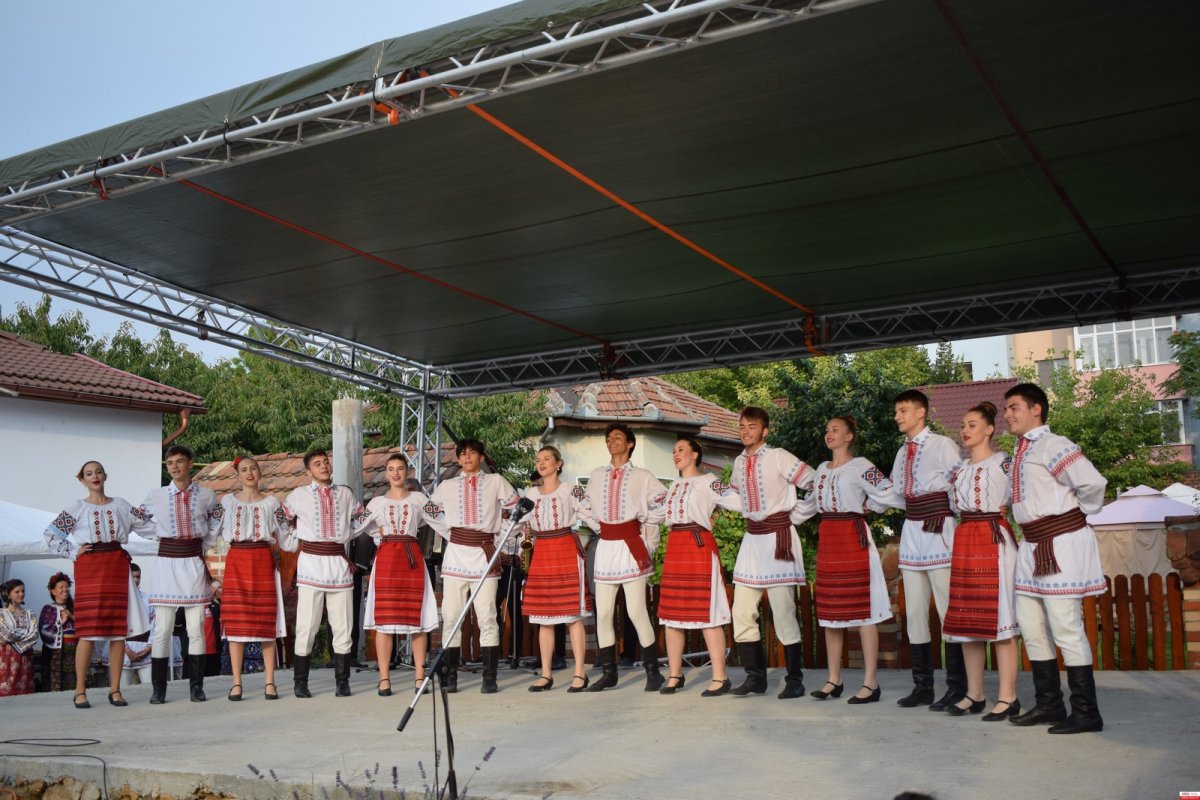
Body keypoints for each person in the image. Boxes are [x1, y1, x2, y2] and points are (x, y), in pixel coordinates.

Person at [1003, 383, 1107, 734]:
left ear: (1037, 409)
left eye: (1014, 407)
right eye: (1006, 409)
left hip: (1059, 544)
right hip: (1031, 546)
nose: (1007, 414)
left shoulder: (1054, 444)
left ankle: (1086, 712)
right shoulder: (1020, 451)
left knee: (1065, 627)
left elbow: (1092, 484)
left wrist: (1074, 518)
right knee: (1031, 626)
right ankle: (1049, 705)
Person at [793, 416, 896, 704]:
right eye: (827, 430)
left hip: (853, 538)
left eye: (835, 430)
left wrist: (869, 506)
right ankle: (833, 679)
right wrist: (778, 519)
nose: (829, 434)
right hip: (830, 540)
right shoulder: (821, 470)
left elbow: (887, 491)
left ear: (849, 436)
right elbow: (808, 505)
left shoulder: (861, 465)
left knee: (865, 610)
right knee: (831, 613)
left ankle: (871, 683)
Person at [43, 460, 153, 708]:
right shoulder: (77, 507)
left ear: (105, 476)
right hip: (90, 566)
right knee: (88, 631)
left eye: (98, 472)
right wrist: (73, 551)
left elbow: (147, 525)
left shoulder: (121, 505)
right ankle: (80, 691)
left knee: (118, 632)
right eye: (89, 473)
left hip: (116, 565)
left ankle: (115, 690)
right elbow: (51, 535)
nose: (95, 476)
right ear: (81, 479)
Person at [940, 402, 1022, 720]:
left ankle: (1008, 696)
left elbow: (1023, 492)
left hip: (993, 537)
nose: (965, 430)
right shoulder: (957, 470)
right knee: (967, 621)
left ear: (989, 429)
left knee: (1000, 620)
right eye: (963, 425)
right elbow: (952, 503)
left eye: (972, 424)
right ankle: (974, 694)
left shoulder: (1005, 462)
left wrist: (1008, 507)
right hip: (966, 538)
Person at [727, 407, 813, 699]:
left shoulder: (779, 456)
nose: (745, 431)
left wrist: (796, 515)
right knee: (741, 611)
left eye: (752, 426)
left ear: (765, 431)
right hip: (752, 541)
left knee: (784, 611)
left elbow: (814, 481)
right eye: (742, 426)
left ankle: (795, 680)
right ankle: (755, 678)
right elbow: (736, 495)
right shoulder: (739, 462)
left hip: (778, 538)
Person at [890, 389, 966, 711]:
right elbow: (896, 493)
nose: (897, 416)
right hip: (912, 532)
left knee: (948, 610)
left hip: (938, 530)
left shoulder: (942, 445)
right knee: (915, 612)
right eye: (897, 411)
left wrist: (957, 515)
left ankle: (958, 687)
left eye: (903, 410)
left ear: (921, 412)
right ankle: (923, 687)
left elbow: (959, 483)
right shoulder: (901, 452)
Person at [428, 439, 520, 694]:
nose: (467, 457)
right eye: (463, 454)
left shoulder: (495, 481)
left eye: (473, 453)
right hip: (456, 555)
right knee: (451, 616)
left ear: (481, 457)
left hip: (484, 555)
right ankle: (451, 676)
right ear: (458, 459)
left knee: (487, 616)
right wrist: (451, 532)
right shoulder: (447, 485)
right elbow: (429, 510)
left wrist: (501, 533)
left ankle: (489, 677)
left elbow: (520, 510)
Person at [584, 423, 667, 693]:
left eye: (617, 437)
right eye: (608, 438)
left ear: (630, 443)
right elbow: (585, 506)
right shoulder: (597, 475)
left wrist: (647, 529)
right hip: (606, 547)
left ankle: (653, 672)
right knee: (604, 613)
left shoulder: (643, 476)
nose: (612, 441)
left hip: (631, 546)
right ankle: (609, 673)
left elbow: (662, 503)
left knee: (636, 611)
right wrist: (599, 527)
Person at [354, 453, 444, 696]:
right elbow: (355, 526)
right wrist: (377, 531)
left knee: (417, 621)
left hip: (411, 559)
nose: (396, 473)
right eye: (391, 469)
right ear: (386, 473)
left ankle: (419, 677)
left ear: (407, 472)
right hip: (386, 561)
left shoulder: (419, 499)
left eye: (400, 468)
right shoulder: (376, 503)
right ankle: (384, 678)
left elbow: (442, 520)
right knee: (384, 621)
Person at [657, 438, 741, 697]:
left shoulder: (709, 481)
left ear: (695, 454)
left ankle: (720, 676)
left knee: (709, 613)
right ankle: (675, 674)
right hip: (676, 547)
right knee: (671, 615)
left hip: (698, 545)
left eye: (681, 449)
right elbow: (655, 513)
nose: (676, 454)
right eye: (673, 451)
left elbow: (738, 501)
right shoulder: (673, 487)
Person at [137, 444, 219, 704]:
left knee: (196, 628)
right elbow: (138, 519)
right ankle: (158, 689)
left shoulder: (206, 495)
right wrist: (160, 534)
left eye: (179, 461)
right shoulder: (157, 495)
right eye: (170, 462)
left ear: (190, 463)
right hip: (167, 563)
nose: (174, 466)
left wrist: (205, 541)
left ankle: (196, 686)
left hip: (192, 562)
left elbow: (217, 518)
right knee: (162, 629)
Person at [283, 449, 366, 698]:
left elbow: (362, 517)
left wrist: (348, 533)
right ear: (308, 471)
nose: (323, 466)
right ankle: (300, 682)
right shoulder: (299, 495)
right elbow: (279, 519)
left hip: (338, 563)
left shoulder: (345, 494)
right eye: (317, 463)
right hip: (311, 564)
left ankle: (343, 682)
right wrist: (293, 537)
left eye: (326, 462)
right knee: (307, 625)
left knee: (343, 625)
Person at [211, 456, 294, 701]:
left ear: (259, 473)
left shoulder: (272, 503)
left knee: (266, 622)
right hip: (237, 560)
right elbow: (210, 528)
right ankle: (236, 683)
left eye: (253, 469)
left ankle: (270, 682)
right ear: (238, 475)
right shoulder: (226, 502)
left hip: (262, 561)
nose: (249, 473)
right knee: (236, 624)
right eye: (244, 470)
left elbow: (287, 535)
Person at [521, 445, 595, 693]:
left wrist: (607, 532)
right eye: (538, 460)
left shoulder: (570, 489)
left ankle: (580, 672)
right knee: (544, 617)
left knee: (573, 616)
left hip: (565, 548)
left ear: (558, 463)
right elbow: (517, 520)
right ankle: (546, 674)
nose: (541, 463)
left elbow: (590, 512)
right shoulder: (531, 493)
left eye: (547, 459)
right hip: (542, 551)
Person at [38, 572, 77, 693]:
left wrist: (75, 618)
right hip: (56, 654)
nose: (65, 589)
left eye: (67, 586)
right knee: (55, 685)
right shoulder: (48, 609)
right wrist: (62, 621)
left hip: (74, 653)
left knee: (73, 684)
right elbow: (44, 631)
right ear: (53, 591)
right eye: (61, 587)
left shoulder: (74, 609)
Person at [0, 579, 39, 696]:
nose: (21, 594)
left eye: (23, 591)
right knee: (6, 690)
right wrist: (26, 633)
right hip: (6, 658)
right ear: (8, 594)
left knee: (25, 691)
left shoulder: (30, 613)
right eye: (17, 592)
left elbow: (34, 635)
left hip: (25, 658)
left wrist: (17, 634)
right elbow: (5, 634)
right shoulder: (2, 614)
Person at [122, 563, 153, 686]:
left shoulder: (147, 599)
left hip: (145, 650)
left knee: (149, 687)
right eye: (133, 577)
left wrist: (149, 647)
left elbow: (154, 625)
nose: (135, 580)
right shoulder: (120, 599)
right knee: (123, 689)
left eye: (138, 577)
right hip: (124, 651)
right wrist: (126, 649)